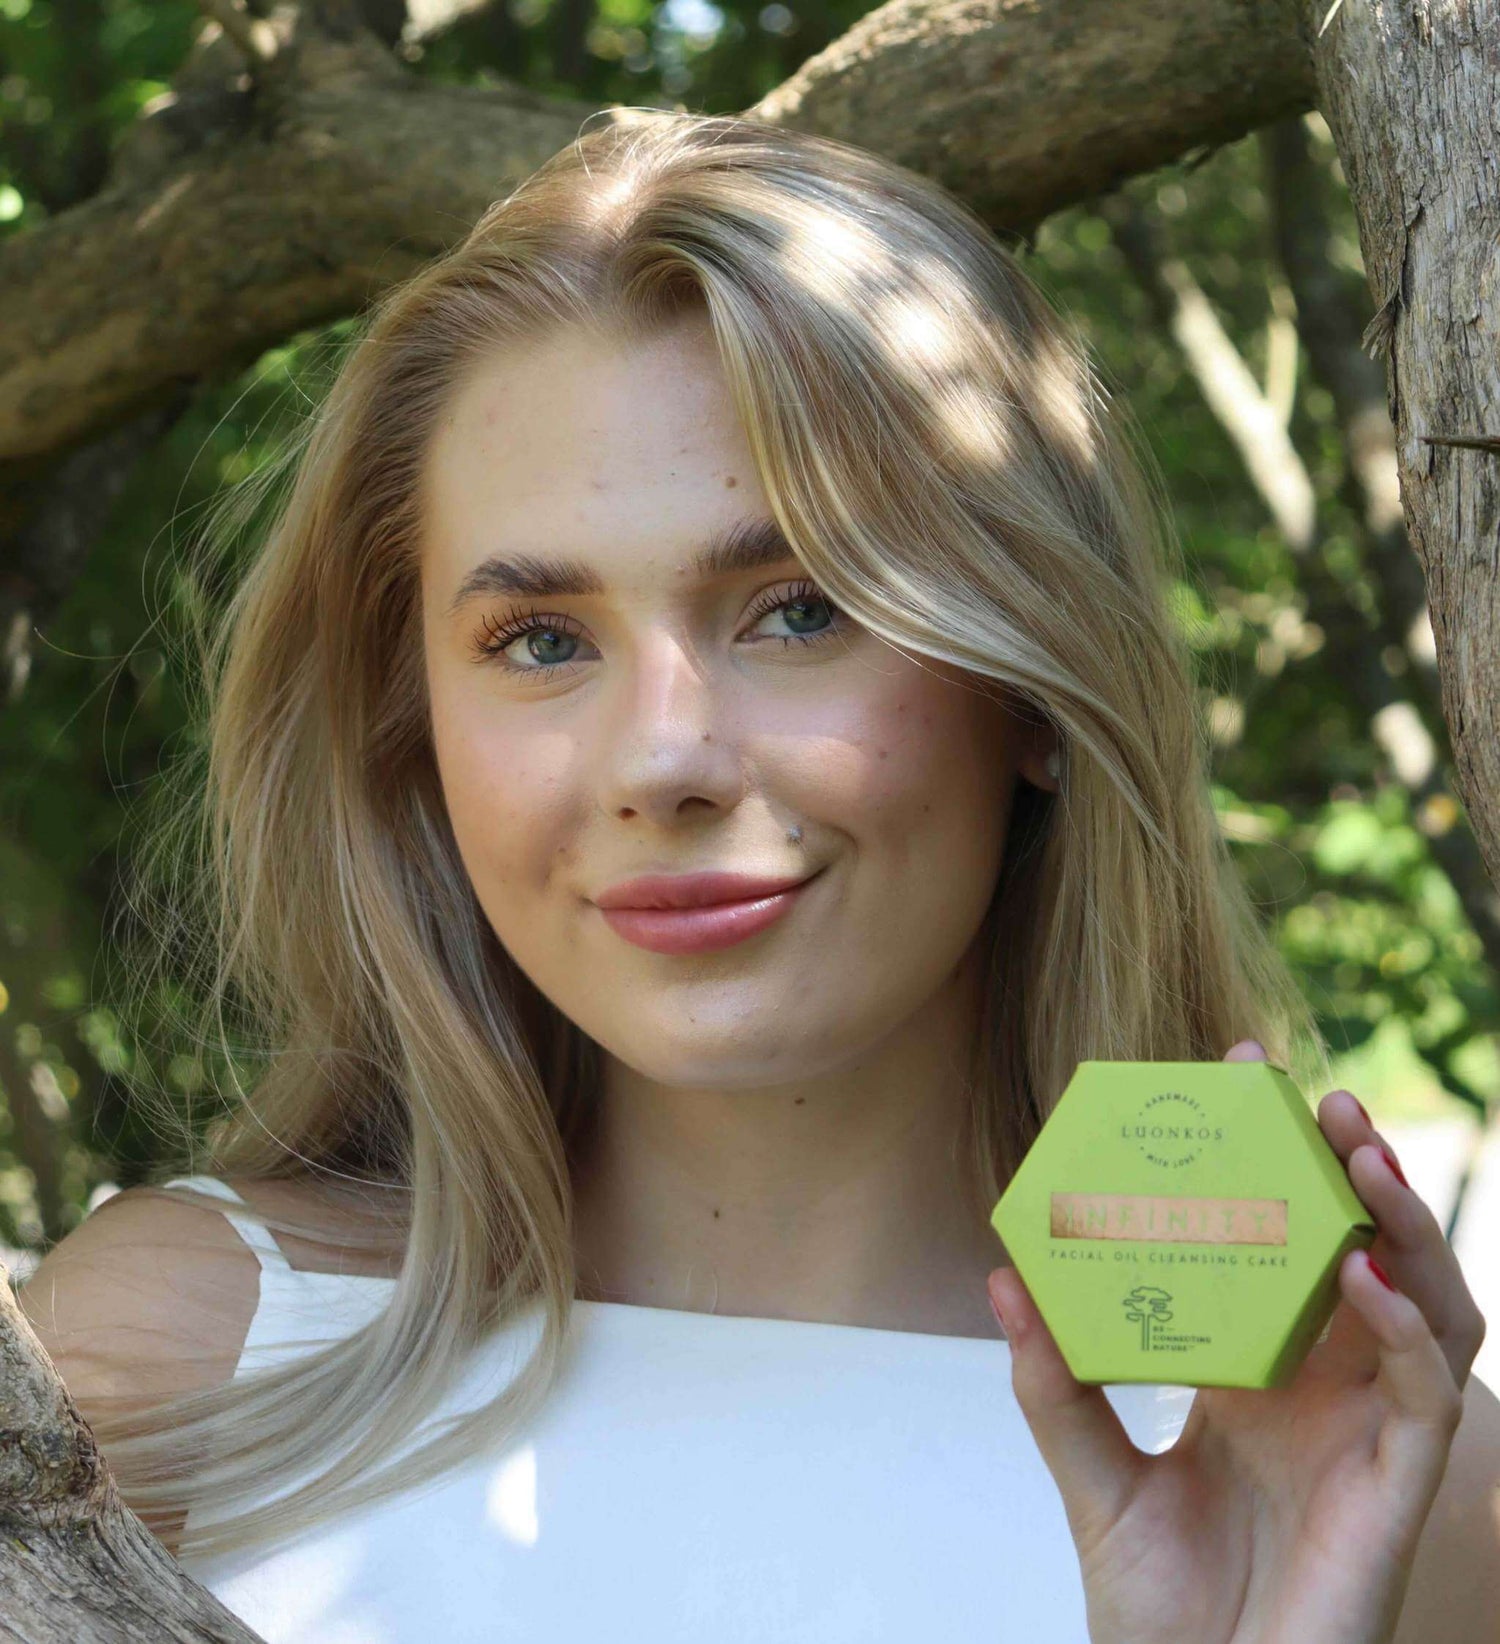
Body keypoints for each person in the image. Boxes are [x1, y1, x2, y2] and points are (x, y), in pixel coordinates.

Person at [15, 110, 1495, 1643]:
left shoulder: (1386, 1470)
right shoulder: (160, 1379)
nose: (664, 759)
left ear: (1040, 691)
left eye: (799, 610)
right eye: (540, 641)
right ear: (414, 736)